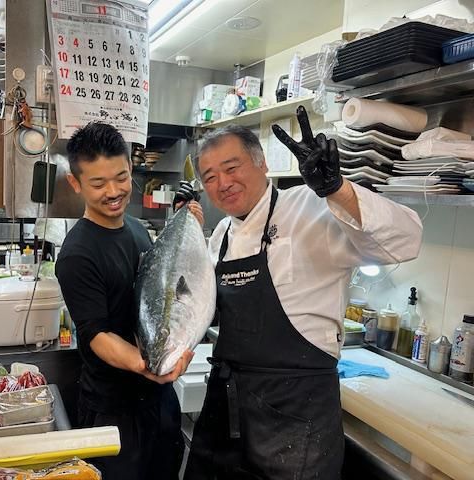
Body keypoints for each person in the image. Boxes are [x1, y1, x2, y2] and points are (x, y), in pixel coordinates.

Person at [181, 107, 423, 480]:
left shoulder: (312, 207)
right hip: (227, 408)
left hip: (295, 414)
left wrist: (337, 189)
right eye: (210, 177)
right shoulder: (222, 236)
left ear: (262, 163)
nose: (222, 183)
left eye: (232, 168)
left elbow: (406, 240)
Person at [55, 122, 201, 480]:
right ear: (75, 183)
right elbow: (97, 334)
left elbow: (159, 293)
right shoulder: (78, 254)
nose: (113, 191)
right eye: (98, 183)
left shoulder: (136, 228)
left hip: (158, 402)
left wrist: (186, 221)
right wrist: (148, 365)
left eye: (121, 177)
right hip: (113, 409)